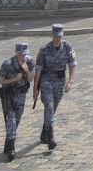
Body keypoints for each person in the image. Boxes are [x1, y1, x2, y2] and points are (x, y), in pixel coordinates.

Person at [32, 23, 76, 151]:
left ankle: (44, 133)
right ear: (52, 34)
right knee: (49, 106)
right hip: (46, 80)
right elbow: (38, 70)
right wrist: (35, 88)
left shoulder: (68, 47)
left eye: (60, 36)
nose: (58, 38)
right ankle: (51, 138)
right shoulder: (44, 49)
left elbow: (72, 65)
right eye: (56, 36)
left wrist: (70, 82)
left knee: (52, 108)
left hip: (60, 80)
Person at [0, 40, 35, 160]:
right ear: (16, 52)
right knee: (11, 121)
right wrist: (13, 79)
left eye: (24, 54)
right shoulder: (7, 64)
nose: (23, 56)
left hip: (21, 95)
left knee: (16, 120)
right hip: (9, 96)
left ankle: (8, 143)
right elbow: (0, 80)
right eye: (21, 53)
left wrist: (27, 70)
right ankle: (11, 149)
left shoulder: (29, 61)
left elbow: (31, 79)